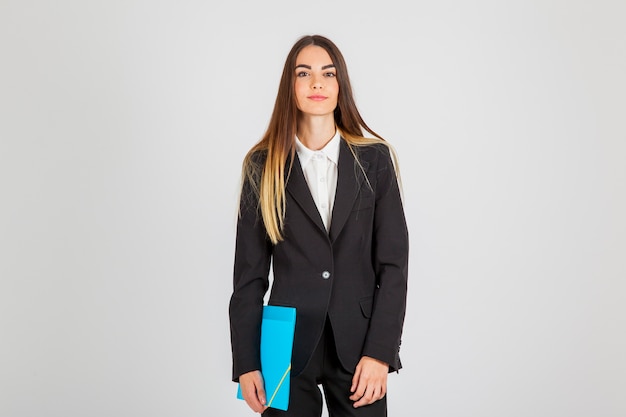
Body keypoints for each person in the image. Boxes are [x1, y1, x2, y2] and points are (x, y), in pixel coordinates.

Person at [229, 34, 409, 417]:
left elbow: (393, 267)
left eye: (328, 73)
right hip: (284, 345)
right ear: (289, 86)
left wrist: (380, 352)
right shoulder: (262, 168)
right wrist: (246, 362)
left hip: (359, 343)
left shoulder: (374, 161)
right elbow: (248, 277)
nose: (316, 83)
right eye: (304, 73)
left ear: (339, 85)